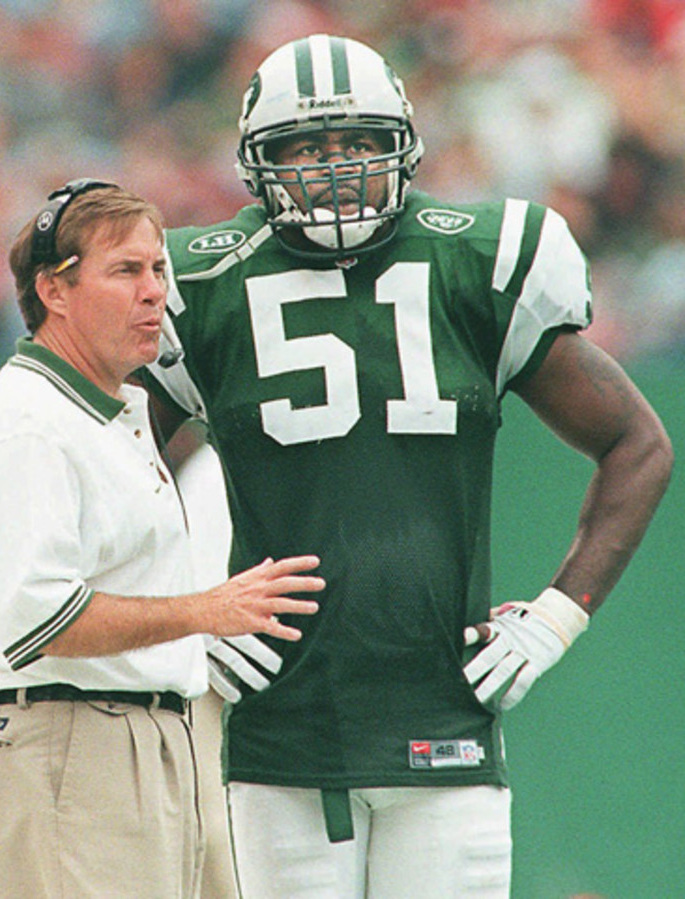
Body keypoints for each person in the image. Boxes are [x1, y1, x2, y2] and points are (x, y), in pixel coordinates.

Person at [142, 34, 673, 899]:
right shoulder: (198, 281)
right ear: (257, 163)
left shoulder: (476, 260)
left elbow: (638, 445)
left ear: (404, 142)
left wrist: (554, 619)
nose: (335, 168)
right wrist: (183, 619)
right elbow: (106, 473)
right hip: (281, 724)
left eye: (355, 141)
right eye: (305, 148)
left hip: (445, 714)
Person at [0, 179, 325, 899]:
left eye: (158, 270)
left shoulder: (106, 412)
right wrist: (204, 611)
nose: (154, 292)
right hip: (72, 737)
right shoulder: (23, 420)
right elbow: (38, 621)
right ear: (54, 291)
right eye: (125, 271)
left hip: (146, 733)